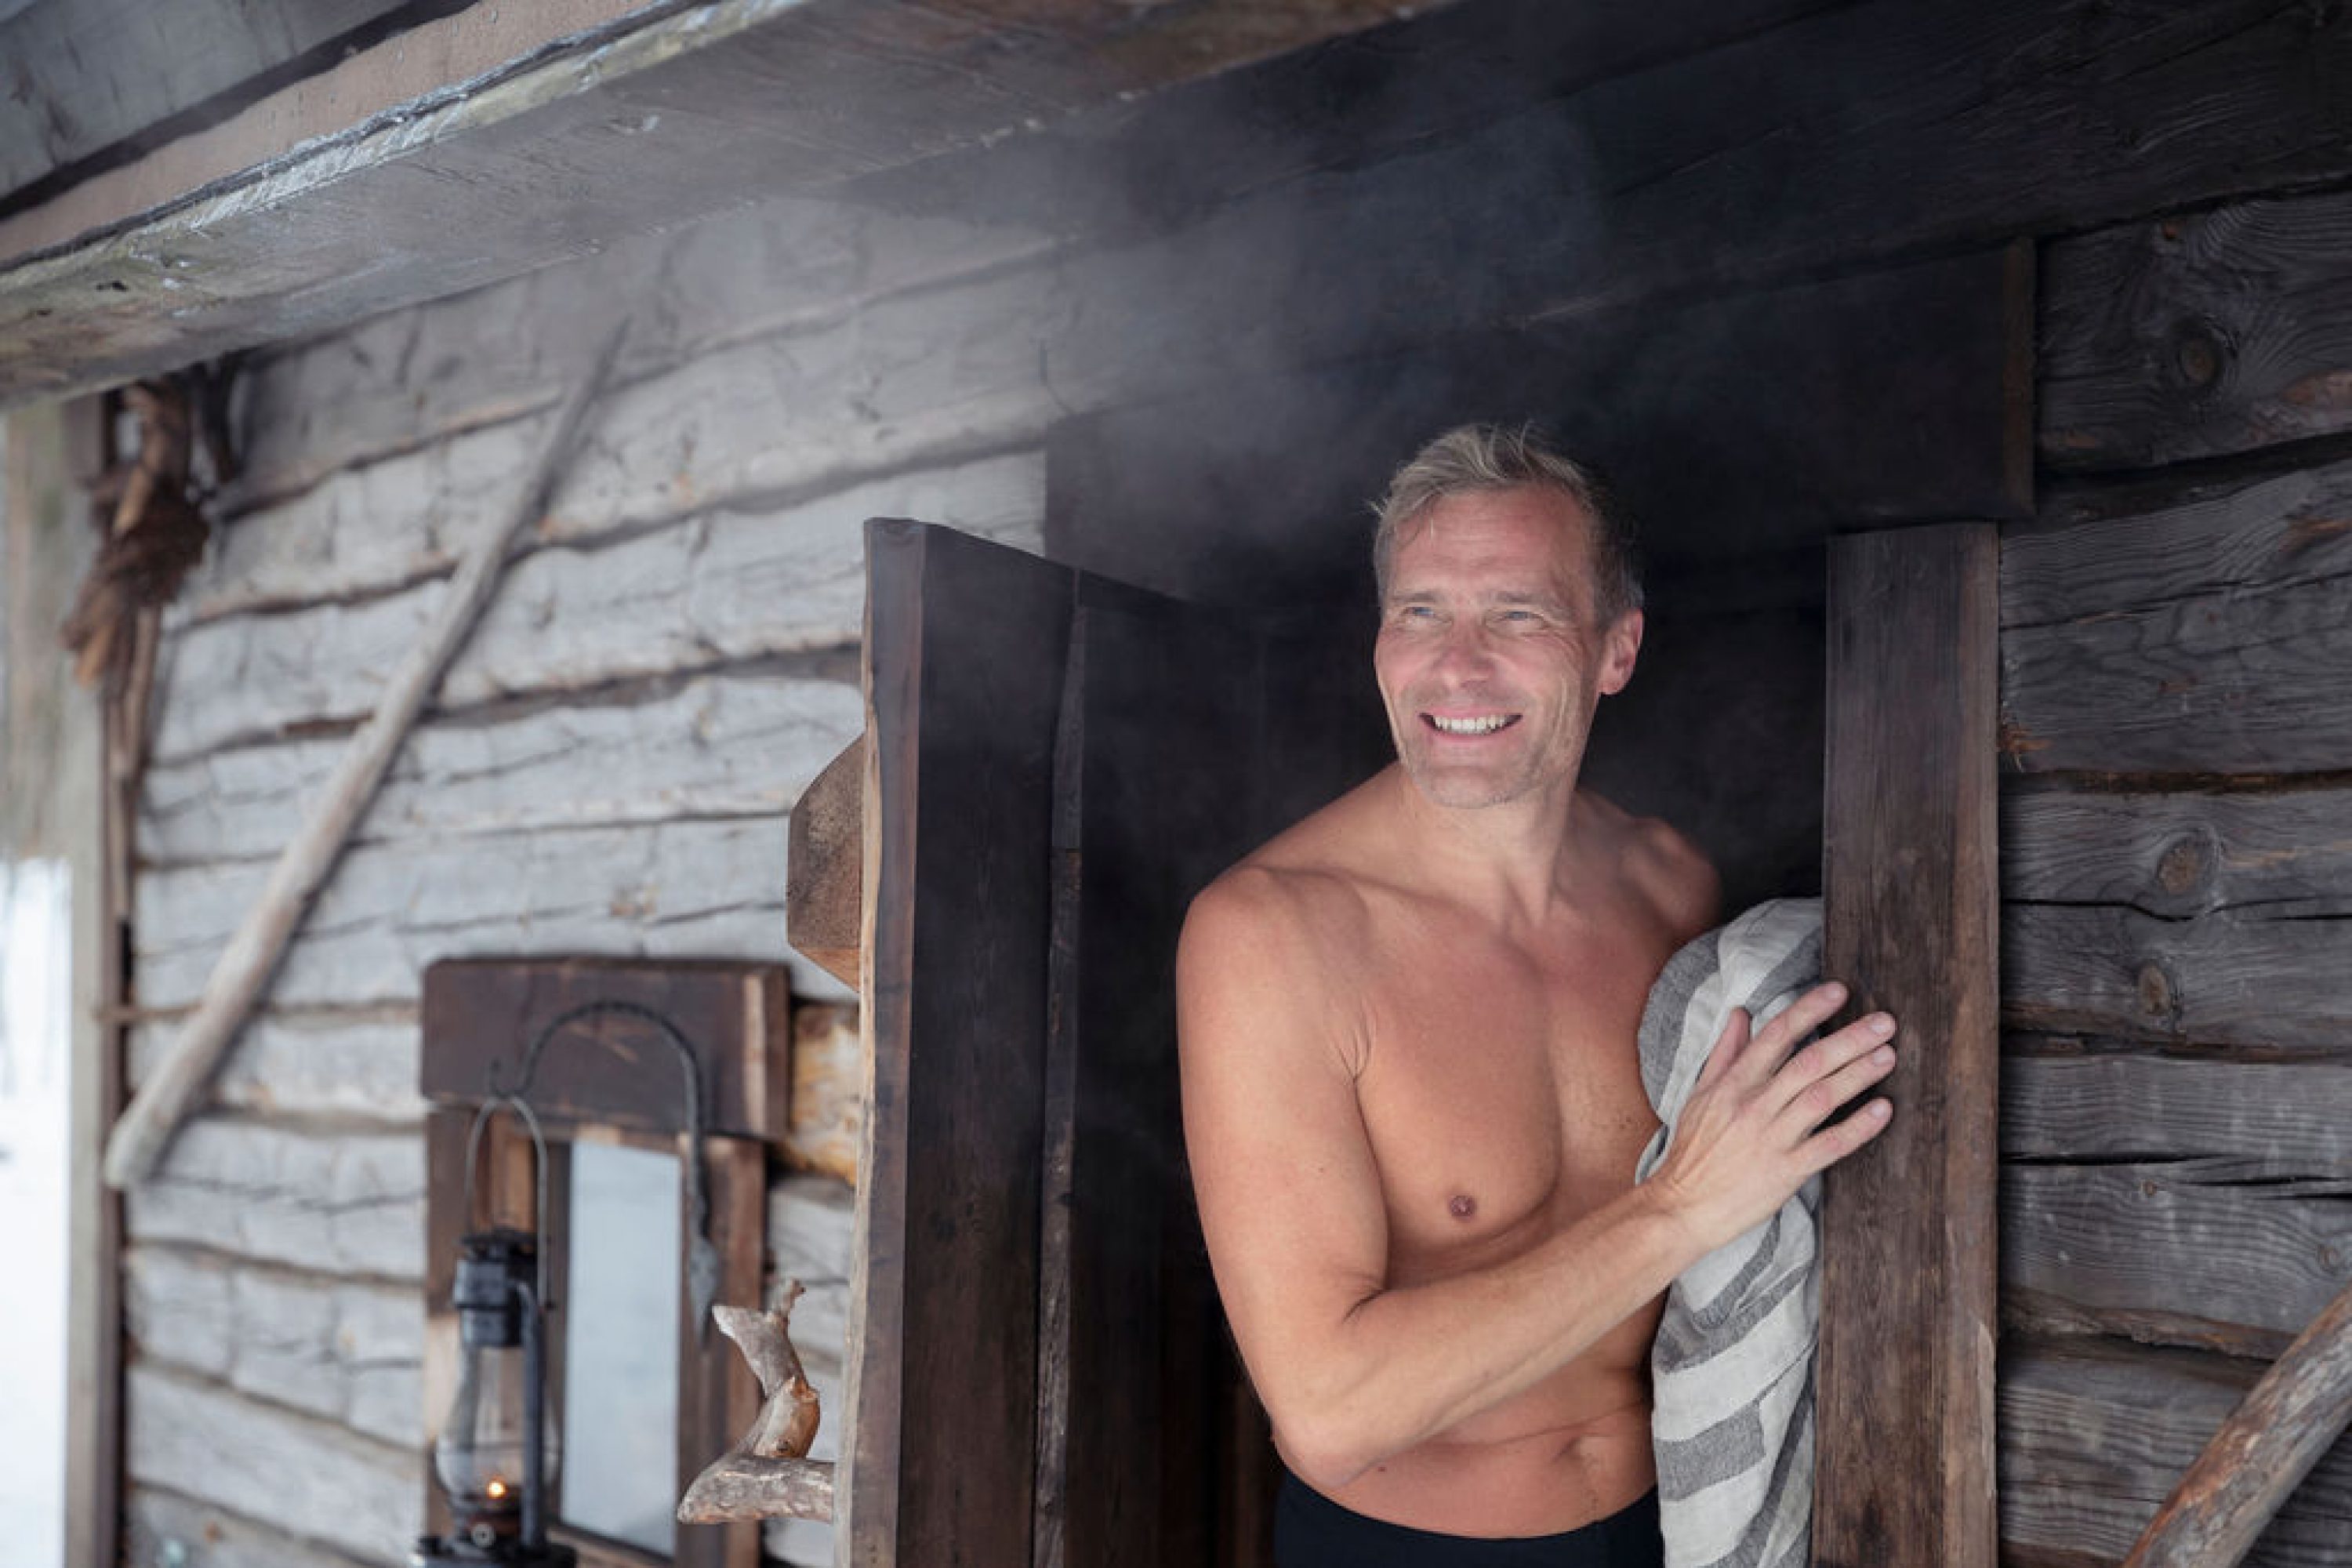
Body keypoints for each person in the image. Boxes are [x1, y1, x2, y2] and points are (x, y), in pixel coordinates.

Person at [1174, 425, 1897, 1566]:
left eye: (1518, 613)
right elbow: (1329, 1409)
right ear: (1379, 645)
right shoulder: (1274, 934)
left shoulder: (1672, 887)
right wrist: (1685, 1207)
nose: (1457, 665)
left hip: (1674, 1527)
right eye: (1419, 612)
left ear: (1615, 650)